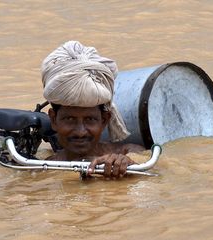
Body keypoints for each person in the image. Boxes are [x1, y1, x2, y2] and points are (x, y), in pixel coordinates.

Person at [41, 40, 145, 179]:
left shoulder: (127, 153)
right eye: (69, 119)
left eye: (90, 119)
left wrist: (129, 167)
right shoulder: (42, 166)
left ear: (104, 120)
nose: (80, 132)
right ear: (53, 119)